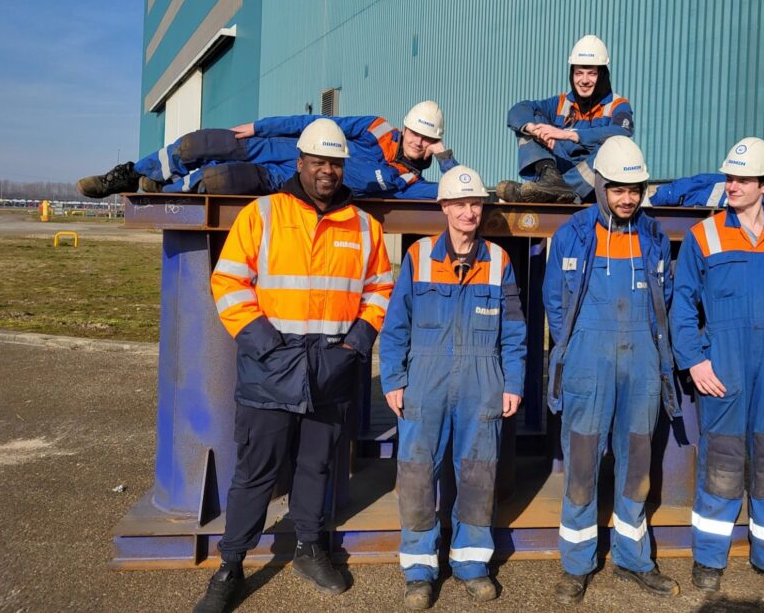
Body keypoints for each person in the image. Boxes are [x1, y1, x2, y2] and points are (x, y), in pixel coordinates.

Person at [196, 119, 394, 613]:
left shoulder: (365, 226)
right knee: (255, 473)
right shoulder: (262, 214)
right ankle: (231, 566)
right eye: (319, 161)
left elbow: (380, 290)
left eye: (336, 163)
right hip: (270, 366)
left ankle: (309, 548)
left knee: (317, 465)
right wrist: (263, 344)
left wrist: (354, 346)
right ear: (301, 163)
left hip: (330, 367)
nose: (327, 171)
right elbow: (229, 282)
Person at [669, 137, 764, 596]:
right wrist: (694, 361)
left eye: (742, 179)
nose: (731, 185)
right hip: (725, 373)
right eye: (729, 177)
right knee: (722, 463)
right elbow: (682, 305)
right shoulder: (705, 236)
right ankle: (709, 558)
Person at [378, 166, 527, 609]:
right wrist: (393, 379)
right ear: (444, 207)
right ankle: (420, 569)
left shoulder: (499, 261)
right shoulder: (419, 257)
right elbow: (395, 326)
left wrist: (513, 382)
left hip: (483, 380)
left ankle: (470, 562)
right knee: (418, 473)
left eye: (475, 203)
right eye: (460, 203)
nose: (468, 211)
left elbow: (515, 332)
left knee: (479, 474)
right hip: (425, 378)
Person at [542, 136, 681, 604]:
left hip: (641, 363)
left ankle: (633, 558)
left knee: (637, 464)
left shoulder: (653, 236)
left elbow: (665, 302)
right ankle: (576, 564)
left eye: (635, 189)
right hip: (588, 363)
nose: (627, 198)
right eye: (618, 189)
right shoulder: (574, 234)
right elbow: (555, 304)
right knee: (582, 465)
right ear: (600, 185)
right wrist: (578, 349)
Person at [77, 101, 457, 200]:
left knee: (215, 179)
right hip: (273, 146)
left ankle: (165, 189)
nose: (417, 141)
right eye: (415, 133)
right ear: (405, 126)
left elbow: (454, 188)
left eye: (427, 139)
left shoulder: (407, 182)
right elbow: (306, 124)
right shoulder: (375, 128)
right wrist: (261, 126)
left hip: (282, 178)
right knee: (198, 143)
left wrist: (446, 157)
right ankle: (126, 175)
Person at [497, 35, 635, 203]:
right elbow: (518, 110)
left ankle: (559, 190)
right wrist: (532, 128)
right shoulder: (561, 102)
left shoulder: (617, 104)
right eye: (579, 73)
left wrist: (569, 134)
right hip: (557, 175)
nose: (584, 80)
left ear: (602, 75)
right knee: (530, 121)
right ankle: (549, 181)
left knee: (614, 147)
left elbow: (623, 131)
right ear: (572, 74)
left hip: (591, 184)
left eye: (591, 74)